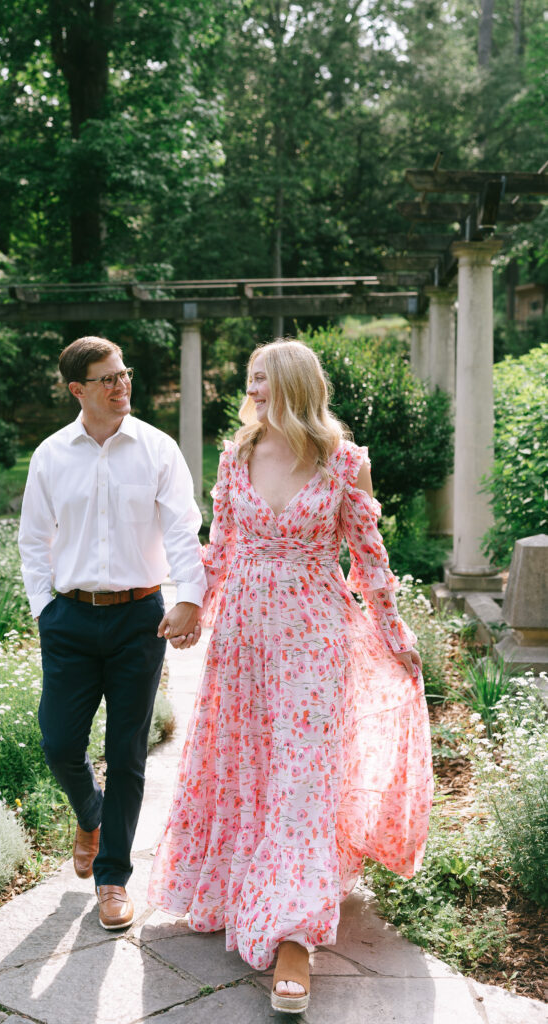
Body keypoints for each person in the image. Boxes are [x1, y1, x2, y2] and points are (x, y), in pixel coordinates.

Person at [148, 339, 433, 1013]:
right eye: (247, 380)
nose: (250, 392)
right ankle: (250, 889)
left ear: (294, 386)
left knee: (302, 782)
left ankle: (292, 940)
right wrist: (191, 608)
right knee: (248, 772)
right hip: (242, 641)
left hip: (314, 639)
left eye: (261, 381)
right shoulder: (237, 455)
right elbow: (220, 548)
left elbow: (368, 560)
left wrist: (394, 632)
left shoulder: (343, 463)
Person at [19, 335, 206, 931]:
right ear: (79, 390)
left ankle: (113, 878)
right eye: (108, 379)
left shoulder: (157, 449)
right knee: (58, 742)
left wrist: (188, 599)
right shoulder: (51, 455)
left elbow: (183, 530)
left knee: (127, 753)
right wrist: (46, 609)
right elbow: (32, 539)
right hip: (69, 619)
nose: (122, 385)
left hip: (138, 619)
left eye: (125, 374)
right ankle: (90, 814)